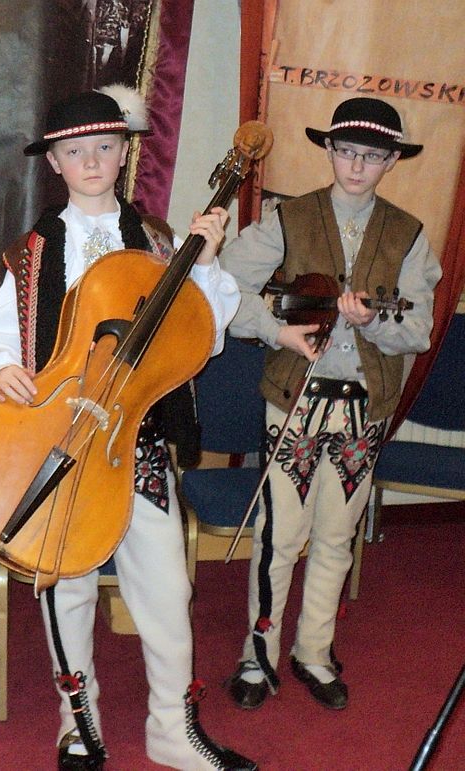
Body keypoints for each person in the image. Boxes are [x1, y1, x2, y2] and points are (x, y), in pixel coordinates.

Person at [0, 86, 257, 771]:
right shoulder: (31, 253)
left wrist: (203, 264)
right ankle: (77, 721)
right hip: (60, 440)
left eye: (104, 146)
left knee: (167, 589)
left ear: (125, 154)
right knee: (68, 585)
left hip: (133, 443)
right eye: (74, 151)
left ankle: (172, 728)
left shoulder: (159, 242)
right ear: (53, 162)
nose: (90, 161)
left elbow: (203, 340)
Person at [220, 97, 440, 712]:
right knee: (278, 535)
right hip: (295, 398)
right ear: (330, 152)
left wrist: (373, 323)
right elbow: (225, 285)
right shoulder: (290, 218)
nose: (357, 166)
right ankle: (257, 655)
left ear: (391, 161)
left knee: (336, 536)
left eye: (372, 156)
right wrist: (277, 331)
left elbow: (418, 330)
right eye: (347, 152)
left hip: (362, 407)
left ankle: (314, 650)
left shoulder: (408, 234)